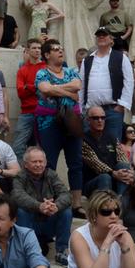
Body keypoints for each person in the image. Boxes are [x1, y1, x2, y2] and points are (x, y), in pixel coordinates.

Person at [35, 39, 84, 208]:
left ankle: (76, 204)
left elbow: (77, 85)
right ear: (47, 55)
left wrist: (56, 87)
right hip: (49, 124)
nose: (60, 51)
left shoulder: (71, 72)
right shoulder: (41, 73)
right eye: (56, 49)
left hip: (72, 122)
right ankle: (49, 201)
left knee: (76, 163)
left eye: (61, 48)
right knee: (48, 163)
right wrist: (69, 94)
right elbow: (45, 89)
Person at [14, 146, 73, 266]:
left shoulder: (51, 175)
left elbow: (66, 194)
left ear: (45, 163)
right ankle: (26, 252)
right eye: (34, 161)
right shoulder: (20, 177)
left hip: (48, 222)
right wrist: (39, 206)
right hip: (30, 223)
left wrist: (55, 206)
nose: (38, 165)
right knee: (21, 211)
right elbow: (18, 196)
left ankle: (61, 251)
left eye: (41, 161)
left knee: (66, 211)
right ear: (26, 164)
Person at [80, 26, 134, 149]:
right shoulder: (87, 61)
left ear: (111, 39)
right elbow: (82, 85)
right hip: (91, 111)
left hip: (112, 110)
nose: (101, 37)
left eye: (104, 35)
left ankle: (114, 169)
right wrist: (81, 108)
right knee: (90, 147)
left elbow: (129, 81)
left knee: (113, 147)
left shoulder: (121, 57)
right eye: (99, 35)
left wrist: (122, 105)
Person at [81, 105, 133, 199]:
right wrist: (113, 173)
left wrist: (126, 171)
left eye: (102, 118)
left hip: (114, 177)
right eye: (95, 118)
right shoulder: (83, 140)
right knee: (105, 177)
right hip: (92, 182)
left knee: (124, 166)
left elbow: (122, 157)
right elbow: (96, 164)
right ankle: (105, 204)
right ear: (88, 120)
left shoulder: (111, 137)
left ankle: (121, 199)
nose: (100, 120)